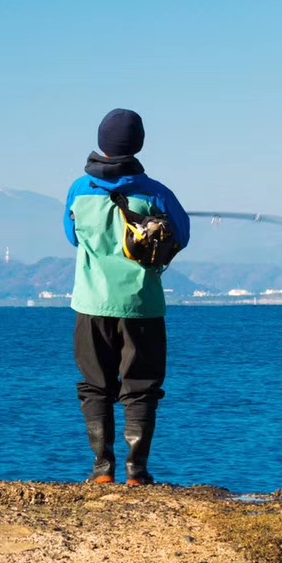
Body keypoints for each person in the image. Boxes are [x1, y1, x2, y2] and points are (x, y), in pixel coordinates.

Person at [63, 108, 190, 485]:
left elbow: (72, 237)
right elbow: (180, 238)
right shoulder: (157, 193)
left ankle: (102, 471)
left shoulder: (78, 190)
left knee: (95, 385)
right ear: (139, 143)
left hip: (91, 305)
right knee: (142, 386)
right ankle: (137, 472)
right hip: (143, 307)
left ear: (100, 142)